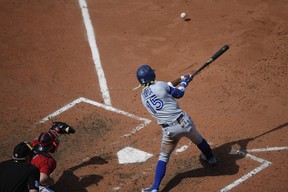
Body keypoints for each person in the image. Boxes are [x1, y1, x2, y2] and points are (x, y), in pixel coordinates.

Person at [136, 65, 216, 192]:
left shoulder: (143, 96)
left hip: (170, 132)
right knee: (199, 140)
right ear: (152, 75)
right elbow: (179, 93)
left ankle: (155, 188)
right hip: (185, 123)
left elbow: (166, 86)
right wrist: (184, 83)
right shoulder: (160, 85)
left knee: (163, 157)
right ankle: (211, 158)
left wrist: (181, 78)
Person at [31, 121, 75, 192]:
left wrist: (55, 129)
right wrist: (50, 182)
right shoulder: (48, 160)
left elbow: (42, 138)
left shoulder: (32, 145)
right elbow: (42, 180)